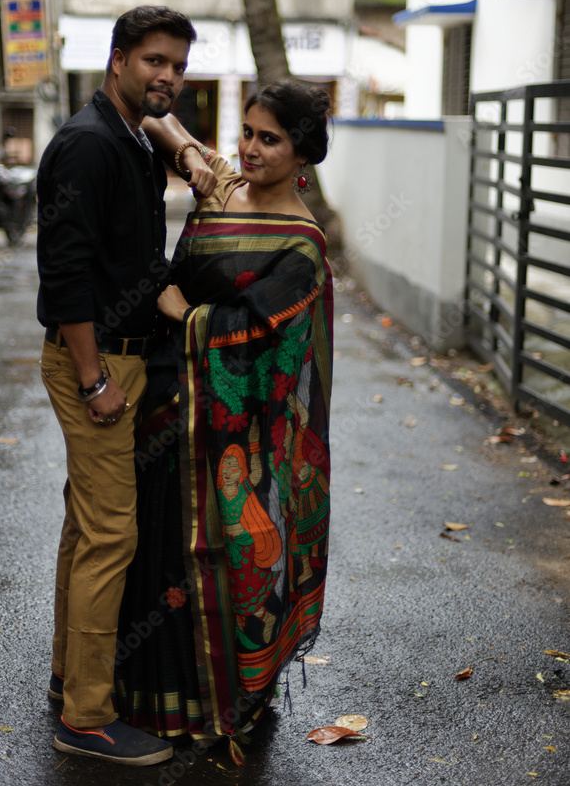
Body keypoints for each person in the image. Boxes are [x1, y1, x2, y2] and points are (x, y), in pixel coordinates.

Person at [114, 79, 333, 755]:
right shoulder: (223, 187)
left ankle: (215, 707)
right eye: (246, 131)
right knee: (150, 551)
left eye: (270, 138)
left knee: (208, 561)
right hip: (162, 410)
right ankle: (142, 702)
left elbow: (262, 335)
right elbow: (155, 116)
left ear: (302, 153)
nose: (250, 146)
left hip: (232, 437)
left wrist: (185, 314)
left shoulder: (301, 245)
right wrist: (188, 150)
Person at [36, 5, 216, 765]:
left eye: (176, 64)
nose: (166, 75)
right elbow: (65, 274)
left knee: (87, 527)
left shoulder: (132, 134)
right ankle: (85, 718)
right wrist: (93, 379)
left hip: (128, 355)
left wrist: (187, 151)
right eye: (152, 61)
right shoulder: (86, 146)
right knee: (113, 533)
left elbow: (164, 128)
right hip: (97, 360)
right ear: (117, 61)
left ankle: (65, 678)